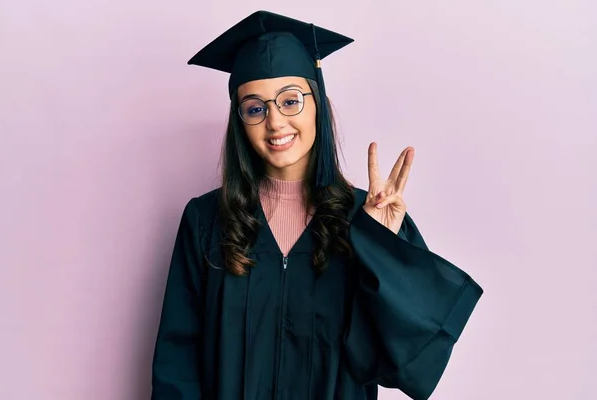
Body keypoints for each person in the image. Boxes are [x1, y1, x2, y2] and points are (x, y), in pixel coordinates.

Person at [150, 10, 483, 400]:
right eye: (255, 108)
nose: (275, 122)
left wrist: (381, 245)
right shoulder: (206, 221)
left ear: (317, 104)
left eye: (290, 100)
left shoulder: (365, 220)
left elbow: (403, 359)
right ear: (240, 121)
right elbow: (178, 360)